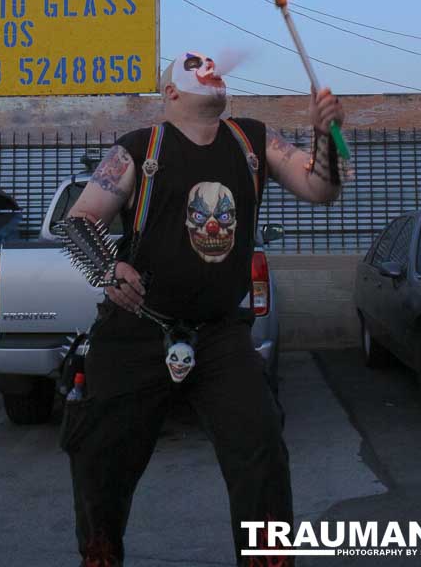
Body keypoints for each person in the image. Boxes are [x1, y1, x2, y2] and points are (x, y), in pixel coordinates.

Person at [61, 50, 347, 567]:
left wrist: (324, 135)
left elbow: (321, 188)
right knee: (100, 458)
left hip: (219, 336)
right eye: (199, 67)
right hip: (135, 332)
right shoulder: (136, 150)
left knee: (260, 446)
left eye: (216, 67)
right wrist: (108, 270)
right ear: (171, 92)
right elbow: (78, 222)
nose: (214, 70)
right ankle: (100, 556)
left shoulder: (252, 141)